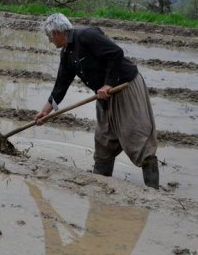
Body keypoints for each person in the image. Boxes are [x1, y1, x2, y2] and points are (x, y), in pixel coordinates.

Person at [35, 13, 159, 189]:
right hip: (104, 95)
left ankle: (153, 191)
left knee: (136, 136)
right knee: (104, 139)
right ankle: (100, 184)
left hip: (123, 87)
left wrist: (108, 84)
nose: (49, 41)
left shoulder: (86, 35)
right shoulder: (67, 54)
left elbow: (116, 53)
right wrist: (45, 111)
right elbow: (60, 85)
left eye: (49, 36)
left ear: (56, 32)